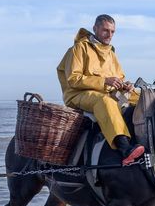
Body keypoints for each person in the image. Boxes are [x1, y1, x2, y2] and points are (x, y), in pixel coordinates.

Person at [57, 14, 145, 165]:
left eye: (112, 32)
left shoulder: (111, 53)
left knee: (143, 97)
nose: (109, 35)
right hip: (79, 94)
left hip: (107, 92)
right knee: (106, 101)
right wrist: (104, 81)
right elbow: (73, 79)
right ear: (95, 29)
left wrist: (125, 85)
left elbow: (119, 78)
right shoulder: (78, 48)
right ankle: (124, 148)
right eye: (105, 30)